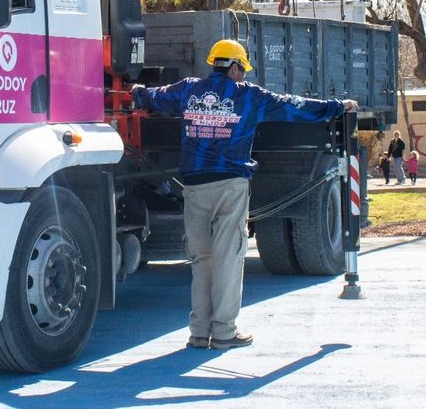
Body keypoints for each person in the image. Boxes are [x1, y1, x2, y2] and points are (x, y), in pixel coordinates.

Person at [132, 39, 358, 351]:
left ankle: (199, 332)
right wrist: (337, 107)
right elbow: (295, 106)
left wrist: (135, 93)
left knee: (202, 260)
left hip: (194, 187)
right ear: (235, 66)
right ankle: (224, 332)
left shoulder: (187, 90)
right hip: (230, 186)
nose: (242, 75)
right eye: (242, 69)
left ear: (215, 63)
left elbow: (152, 98)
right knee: (228, 257)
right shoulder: (250, 96)